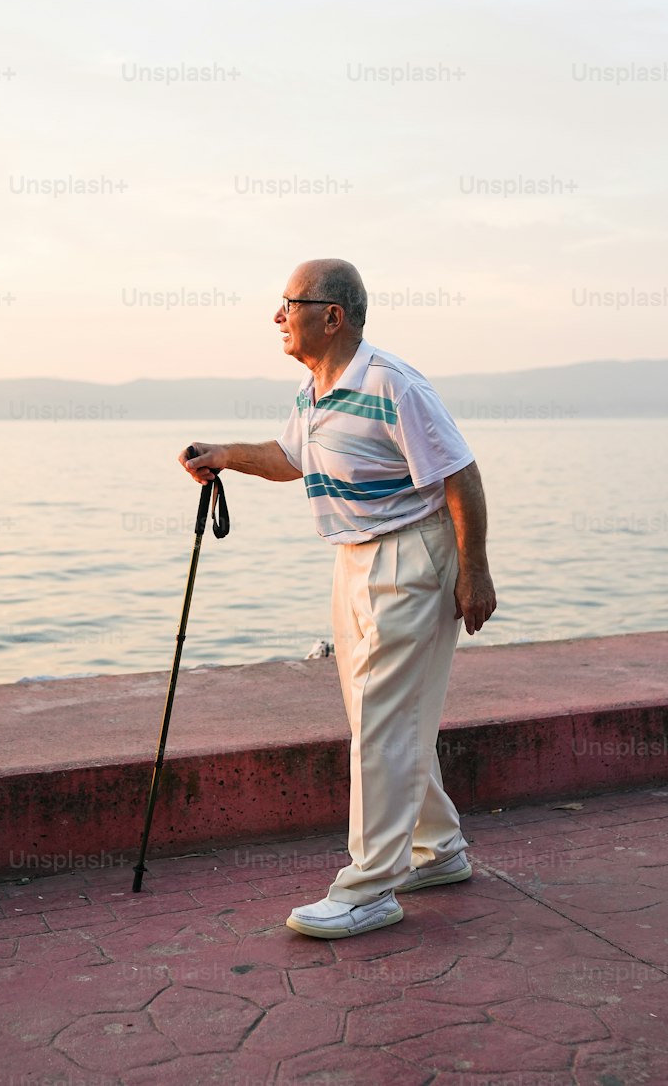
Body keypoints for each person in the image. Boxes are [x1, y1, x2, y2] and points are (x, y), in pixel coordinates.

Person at [179, 258, 497, 941]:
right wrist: (224, 454)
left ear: (333, 315)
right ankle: (437, 849)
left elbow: (461, 477)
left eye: (288, 303)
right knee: (382, 715)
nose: (277, 316)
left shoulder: (392, 384)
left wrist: (475, 572)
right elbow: (290, 459)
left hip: (410, 553)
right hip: (353, 559)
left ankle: (367, 889)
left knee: (383, 719)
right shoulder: (313, 391)